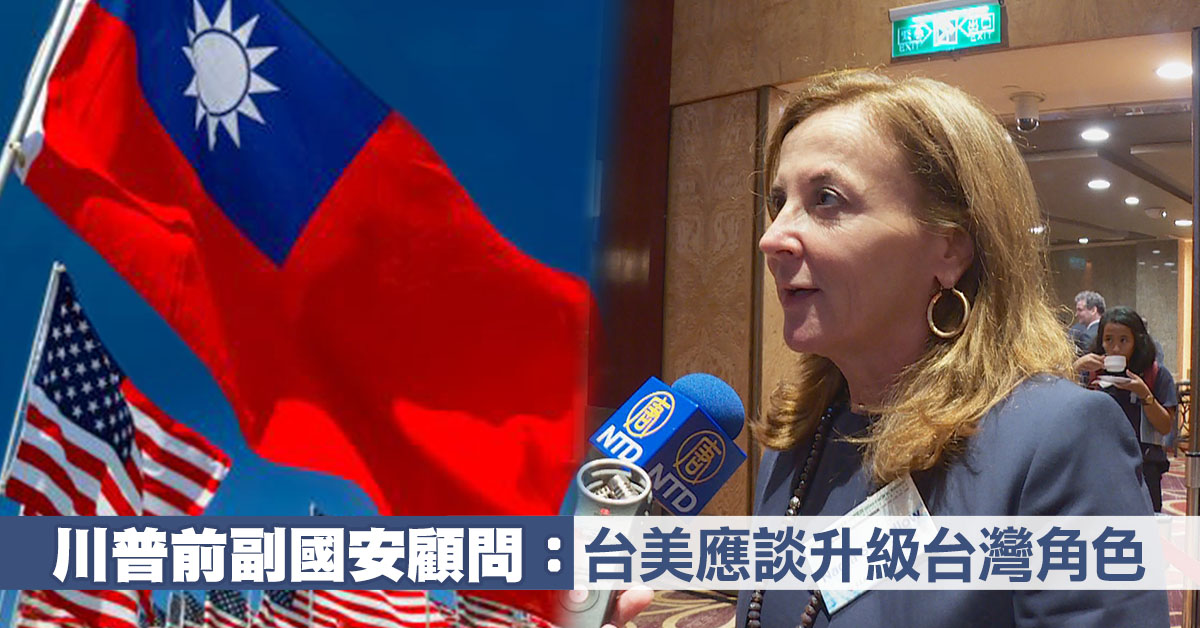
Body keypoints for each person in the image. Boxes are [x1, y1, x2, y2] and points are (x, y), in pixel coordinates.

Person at [608, 70, 1165, 628]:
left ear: (949, 248)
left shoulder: (1058, 439)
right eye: (779, 202)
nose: (771, 238)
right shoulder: (799, 434)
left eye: (826, 200)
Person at [1074, 306, 1177, 511]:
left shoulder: (1156, 374)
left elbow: (1165, 426)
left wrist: (1144, 393)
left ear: (1137, 341)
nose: (1115, 348)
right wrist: (1075, 368)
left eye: (1123, 340)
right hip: (1100, 463)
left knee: (1144, 521)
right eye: (1108, 339)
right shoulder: (1092, 372)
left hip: (1144, 465)